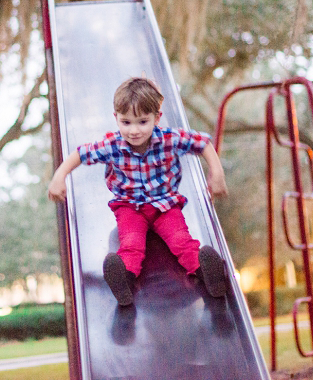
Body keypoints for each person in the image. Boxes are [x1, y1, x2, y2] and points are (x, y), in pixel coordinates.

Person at [48, 77, 230, 306]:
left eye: (142, 122)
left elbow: (203, 143)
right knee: (132, 244)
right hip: (130, 207)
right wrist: (59, 176)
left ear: (157, 118)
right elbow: (80, 154)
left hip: (165, 205)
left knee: (181, 240)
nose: (133, 130)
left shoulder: (169, 139)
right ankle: (123, 278)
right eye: (126, 122)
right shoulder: (112, 145)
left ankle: (206, 273)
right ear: (116, 119)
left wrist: (217, 173)